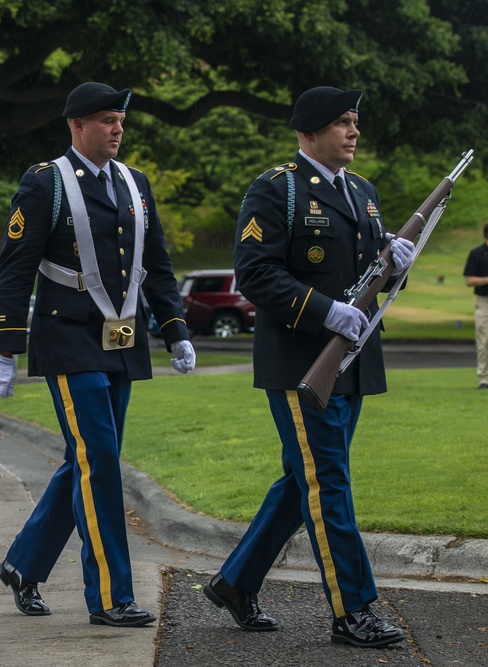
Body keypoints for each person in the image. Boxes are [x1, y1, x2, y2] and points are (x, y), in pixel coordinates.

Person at [202, 86, 415, 649]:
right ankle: (354, 610)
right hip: (303, 362)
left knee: (306, 483)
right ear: (309, 133)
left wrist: (396, 269)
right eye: (342, 122)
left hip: (353, 361)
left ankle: (236, 582)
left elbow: (372, 279)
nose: (353, 131)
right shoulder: (276, 190)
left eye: (355, 121)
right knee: (329, 485)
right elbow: (254, 273)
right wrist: (325, 312)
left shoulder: (364, 193)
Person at [0, 82, 195, 627]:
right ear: (77, 125)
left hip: (122, 340)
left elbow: (158, 263)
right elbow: (14, 269)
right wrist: (6, 348)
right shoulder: (45, 183)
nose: (118, 129)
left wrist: (176, 330)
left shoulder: (135, 182)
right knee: (99, 460)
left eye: (121, 120)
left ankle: (23, 564)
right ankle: (110, 595)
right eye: (107, 120)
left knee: (87, 459)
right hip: (69, 338)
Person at [462, 222, 488, 389]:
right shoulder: (477, 253)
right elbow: (469, 280)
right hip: (484, 301)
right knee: (484, 340)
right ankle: (484, 379)